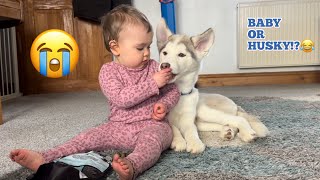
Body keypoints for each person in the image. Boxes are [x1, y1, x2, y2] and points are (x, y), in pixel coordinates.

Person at [9, 4, 180, 180]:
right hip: (118, 127)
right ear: (115, 48)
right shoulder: (108, 72)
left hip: (151, 124)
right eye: (140, 48)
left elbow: (174, 90)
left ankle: (132, 165)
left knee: (154, 140)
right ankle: (45, 157)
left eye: (149, 47)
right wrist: (153, 83)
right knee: (87, 137)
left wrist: (164, 104)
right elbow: (122, 98)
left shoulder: (153, 67)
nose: (147, 53)